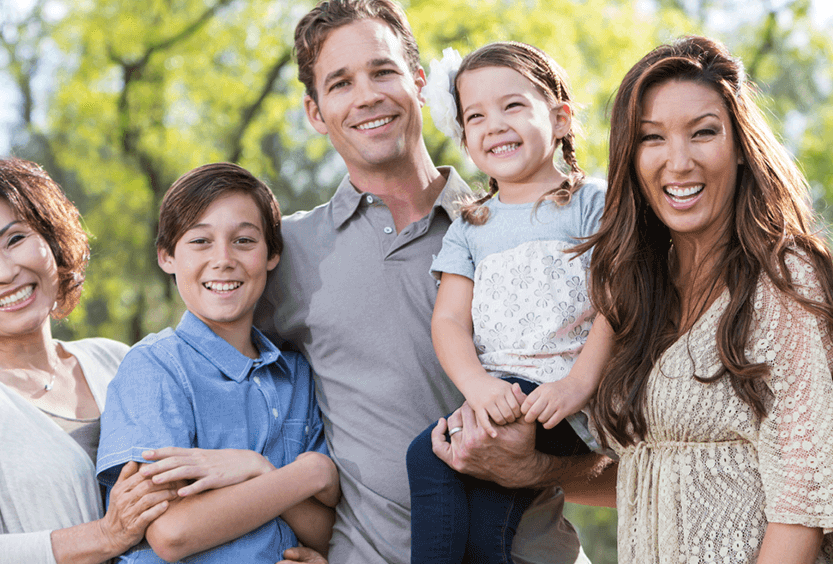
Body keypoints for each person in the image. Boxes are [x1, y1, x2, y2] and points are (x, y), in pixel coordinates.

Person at [257, 1, 604, 562]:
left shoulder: (541, 231)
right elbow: (210, 371)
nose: (367, 95)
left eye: (383, 71)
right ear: (315, 112)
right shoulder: (289, 253)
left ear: (419, 84)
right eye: (340, 83)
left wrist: (538, 468)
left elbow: (641, 462)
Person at [575, 35, 833, 563]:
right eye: (652, 138)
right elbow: (649, 470)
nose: (678, 161)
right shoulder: (635, 288)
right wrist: (529, 471)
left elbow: (801, 502)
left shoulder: (784, 278)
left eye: (703, 133)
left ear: (739, 148)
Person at [0, 157, 178, 564]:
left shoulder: (118, 360)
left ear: (52, 241)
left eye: (15, 239)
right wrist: (104, 536)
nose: (5, 271)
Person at [403, 41, 609, 564]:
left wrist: (577, 385)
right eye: (476, 116)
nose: (494, 124)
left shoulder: (592, 204)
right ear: (465, 139)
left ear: (560, 119)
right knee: (436, 463)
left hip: (561, 400)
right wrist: (476, 384)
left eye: (512, 105)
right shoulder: (471, 225)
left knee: (489, 486)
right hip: (498, 394)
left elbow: (619, 305)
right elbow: (448, 319)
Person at [95, 163, 341, 563]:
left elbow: (330, 534)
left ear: (272, 254)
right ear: (167, 256)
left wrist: (260, 472)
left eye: (244, 240)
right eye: (200, 241)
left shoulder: (297, 376)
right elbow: (171, 533)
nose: (223, 259)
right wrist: (306, 473)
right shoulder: (155, 369)